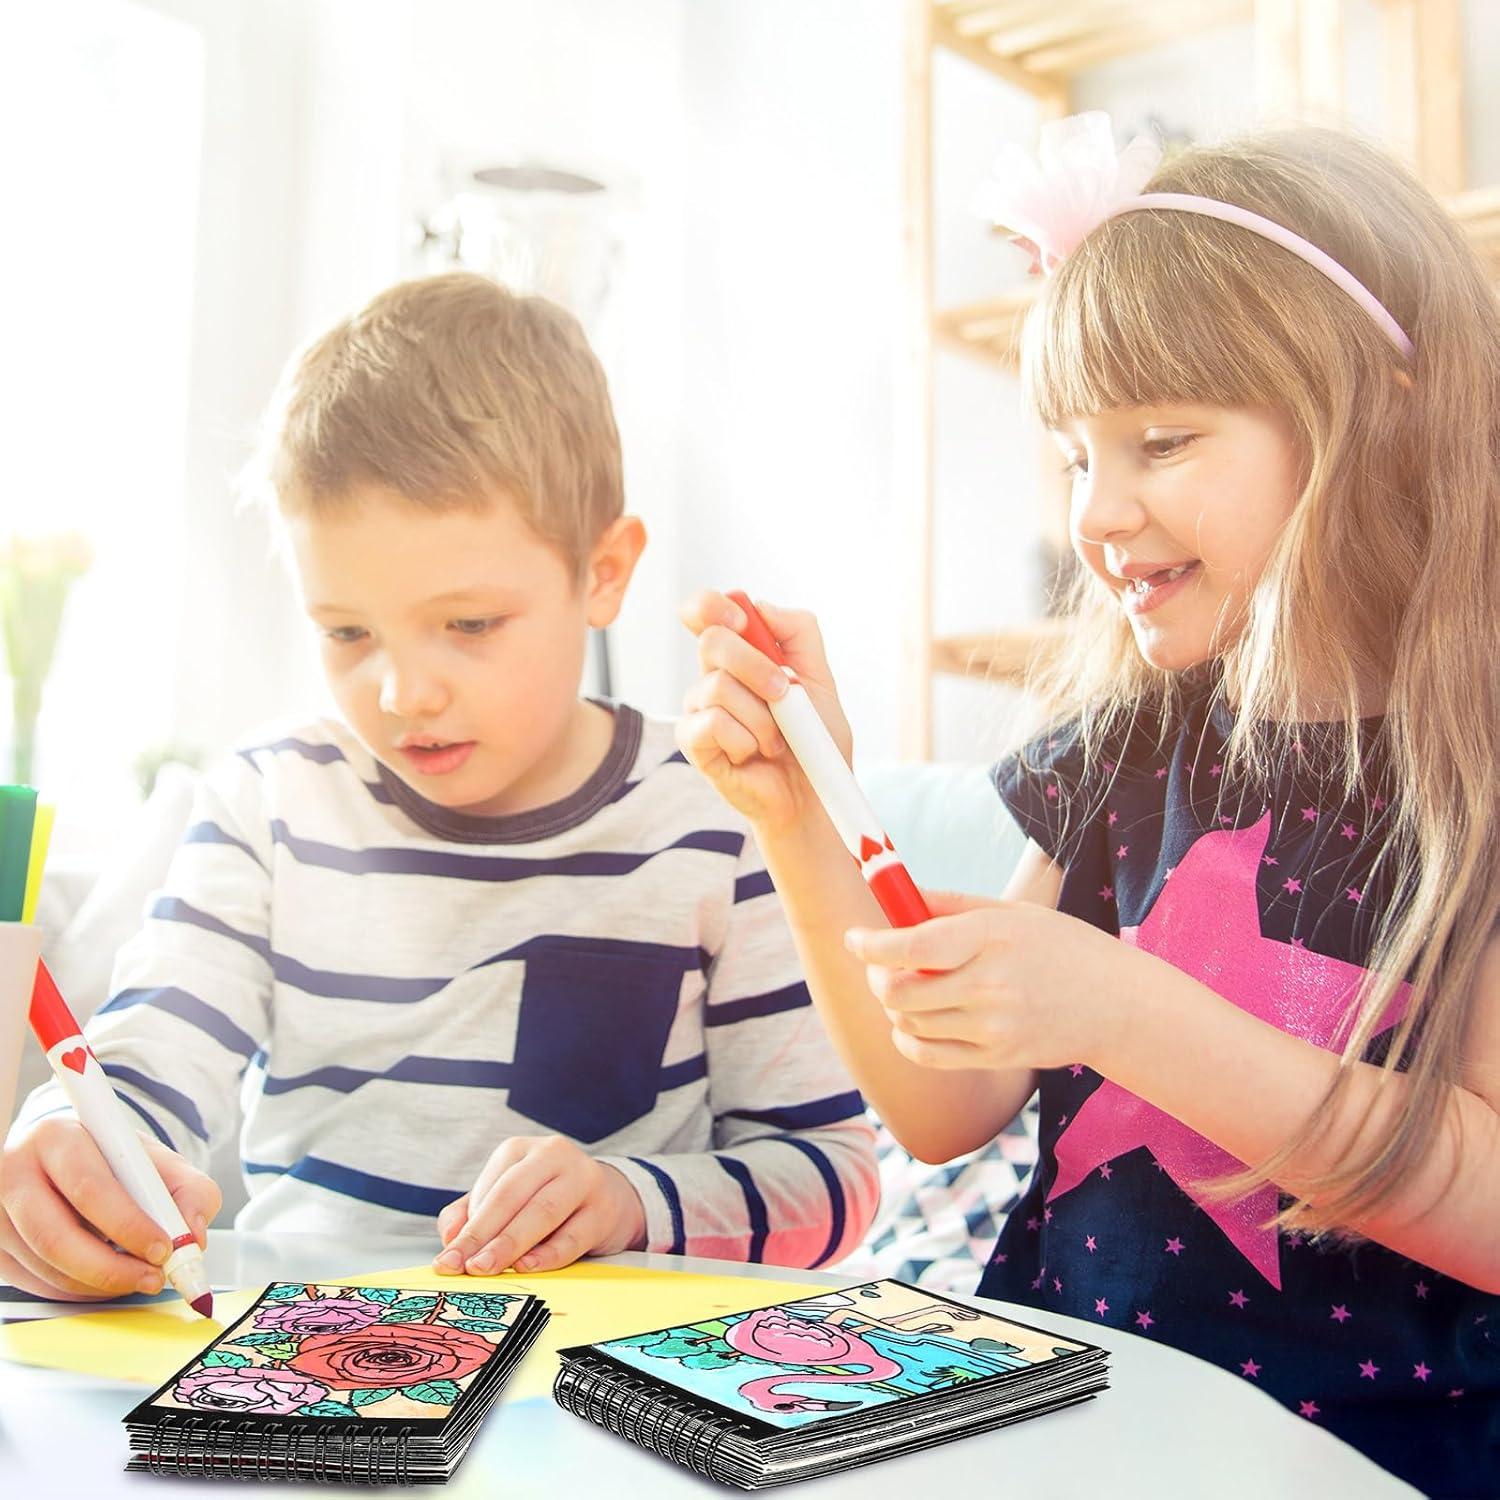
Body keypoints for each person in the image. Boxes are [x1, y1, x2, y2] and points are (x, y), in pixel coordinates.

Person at [677, 118, 1499, 1495]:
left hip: (1372, 1462)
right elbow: (946, 1109)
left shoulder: (1469, 774)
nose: (1096, 513)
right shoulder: (1124, 752)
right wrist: (802, 819)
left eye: (1161, 441)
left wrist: (1120, 1009)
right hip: (1064, 1433)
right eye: (1072, 457)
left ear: (1386, 411)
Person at [0, 272, 876, 1303]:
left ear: (602, 572)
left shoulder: (720, 816)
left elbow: (831, 1178)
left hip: (602, 1397)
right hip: (303, 1370)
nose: (405, 691)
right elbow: (143, 1066)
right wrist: (68, 1151)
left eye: (469, 626)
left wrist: (630, 1202)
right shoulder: (266, 807)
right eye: (347, 632)